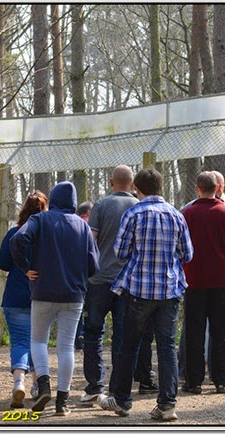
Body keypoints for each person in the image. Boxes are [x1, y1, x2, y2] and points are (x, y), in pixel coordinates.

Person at [107, 167, 193, 421]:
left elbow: (120, 253)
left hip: (138, 290)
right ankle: (167, 404)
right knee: (167, 347)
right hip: (170, 289)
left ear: (137, 187)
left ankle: (122, 400)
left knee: (129, 345)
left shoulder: (133, 214)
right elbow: (187, 254)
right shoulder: (177, 215)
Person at [11, 181, 99, 415]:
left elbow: (18, 239)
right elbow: (94, 265)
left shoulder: (40, 220)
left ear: (53, 199)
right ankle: (62, 402)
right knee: (66, 347)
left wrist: (25, 267)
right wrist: (79, 275)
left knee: (38, 340)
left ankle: (44, 385)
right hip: (74, 294)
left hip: (43, 291)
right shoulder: (82, 226)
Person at [81, 165, 157, 411]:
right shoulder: (139, 206)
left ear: (111, 181)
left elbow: (90, 241)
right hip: (129, 282)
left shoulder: (101, 205)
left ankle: (94, 387)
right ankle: (117, 388)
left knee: (93, 332)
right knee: (124, 337)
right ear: (133, 183)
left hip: (100, 279)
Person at [182, 171, 225, 395]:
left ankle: (194, 381)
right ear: (217, 188)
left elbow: (179, 246)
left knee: (194, 331)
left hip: (194, 281)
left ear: (197, 188)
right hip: (222, 281)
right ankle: (222, 380)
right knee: (221, 332)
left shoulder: (187, 214)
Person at [0, 190, 48, 408]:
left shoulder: (13, 233)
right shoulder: (48, 236)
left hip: (15, 296)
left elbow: (3, 263)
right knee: (38, 341)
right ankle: (37, 385)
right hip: (41, 296)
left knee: (19, 341)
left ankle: (19, 383)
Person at [75, 201, 94, 350]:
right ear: (88, 213)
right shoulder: (88, 226)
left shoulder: (74, 224)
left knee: (78, 308)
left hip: (74, 273)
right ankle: (85, 334)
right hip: (89, 271)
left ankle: (78, 336)